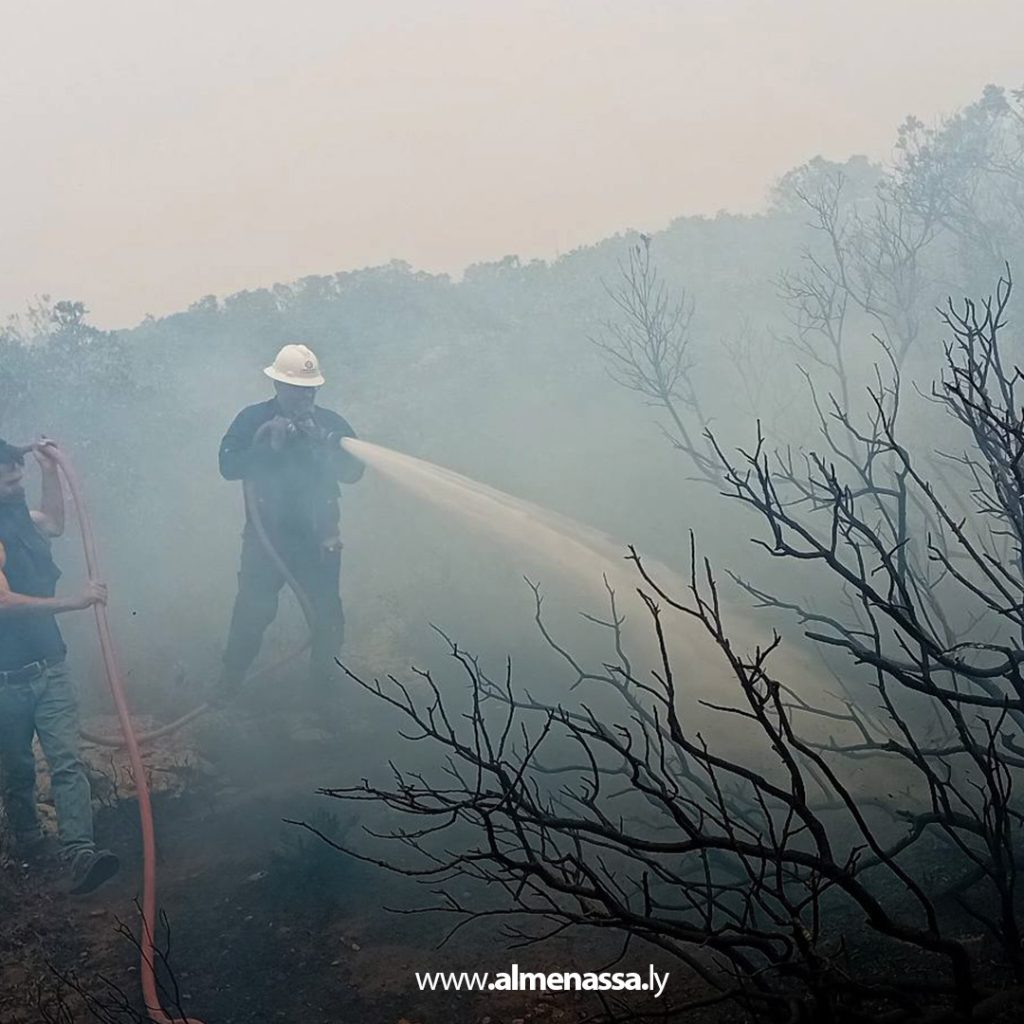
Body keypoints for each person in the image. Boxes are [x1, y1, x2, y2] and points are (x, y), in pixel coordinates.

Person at [0, 437, 119, 894]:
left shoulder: (23, 519)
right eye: (9, 476)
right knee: (16, 769)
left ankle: (80, 853)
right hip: (5, 681)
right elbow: (3, 601)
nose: (17, 479)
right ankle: (28, 844)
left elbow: (53, 521)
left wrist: (50, 469)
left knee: (67, 762)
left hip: (50, 667)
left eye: (19, 471)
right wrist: (76, 601)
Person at [218, 344, 364, 701]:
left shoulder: (331, 424)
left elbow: (354, 472)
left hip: (320, 540)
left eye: (311, 388)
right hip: (267, 539)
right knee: (252, 614)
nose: (305, 395)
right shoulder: (252, 420)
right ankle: (228, 685)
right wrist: (271, 444)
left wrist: (328, 449)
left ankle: (324, 696)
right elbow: (228, 466)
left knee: (328, 620)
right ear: (279, 386)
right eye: (298, 388)